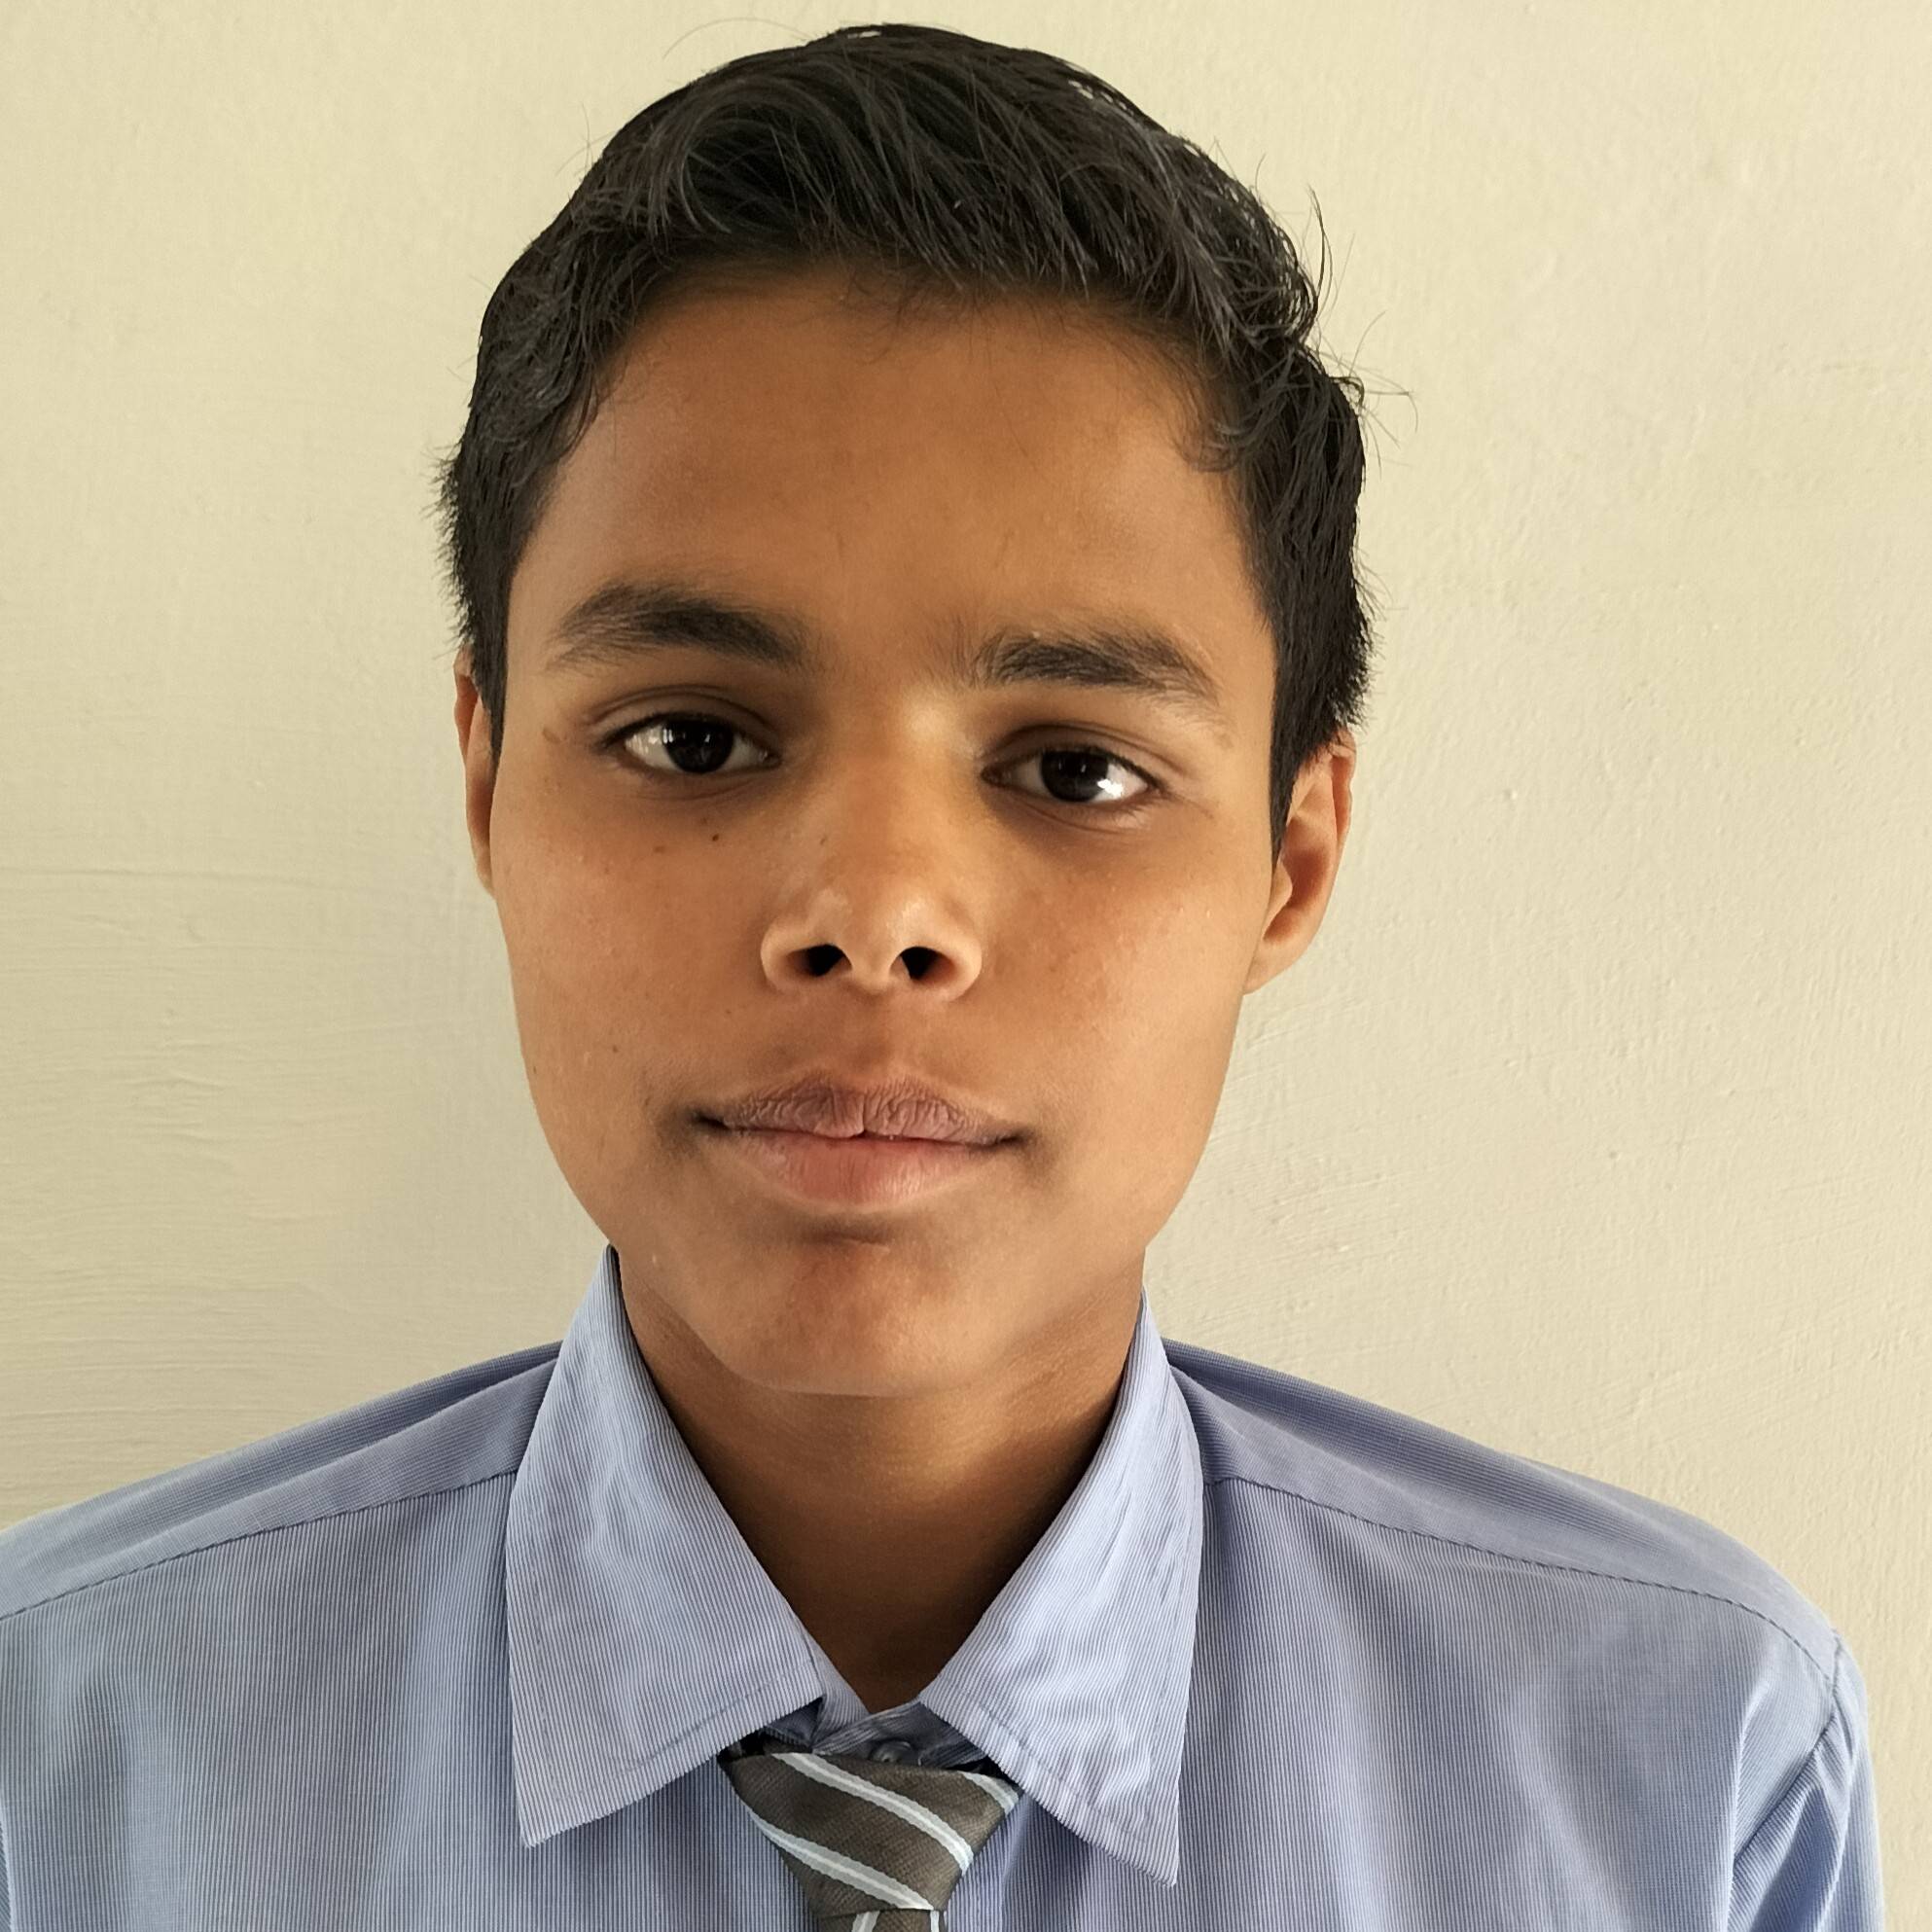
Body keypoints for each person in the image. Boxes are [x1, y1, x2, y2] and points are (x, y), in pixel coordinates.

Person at [0, 22, 1882, 1929]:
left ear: (1290, 859)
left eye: (1075, 771)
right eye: (692, 739)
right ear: (487, 781)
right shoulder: (58, 1751)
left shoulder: (1682, 1773)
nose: (874, 911)